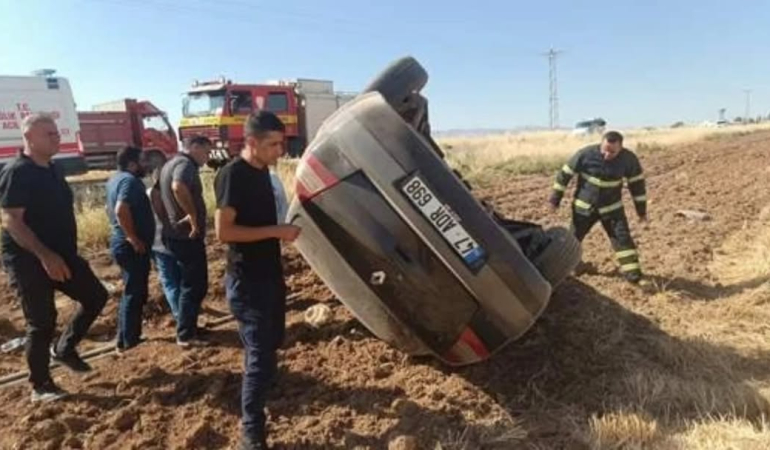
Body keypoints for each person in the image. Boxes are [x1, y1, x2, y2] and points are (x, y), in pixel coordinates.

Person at [0, 114, 108, 402]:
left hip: (62, 254)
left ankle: (64, 348)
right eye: (49, 133)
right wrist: (45, 256)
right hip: (29, 260)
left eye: (56, 133)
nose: (56, 137)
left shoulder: (53, 168)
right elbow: (11, 220)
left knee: (95, 296)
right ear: (29, 138)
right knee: (42, 321)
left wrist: (64, 253)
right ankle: (40, 385)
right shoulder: (17, 172)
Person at [214, 111, 301, 450]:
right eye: (273, 144)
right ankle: (252, 431)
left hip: (269, 273)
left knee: (272, 339)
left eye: (282, 143)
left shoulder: (263, 172)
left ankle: (264, 384)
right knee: (260, 353)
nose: (280, 151)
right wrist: (276, 232)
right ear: (251, 142)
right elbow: (224, 232)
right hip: (247, 280)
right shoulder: (233, 175)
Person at [550, 131, 647, 283]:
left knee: (623, 240)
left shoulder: (629, 160)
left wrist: (641, 211)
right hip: (584, 209)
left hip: (612, 209)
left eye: (612, 152)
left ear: (621, 148)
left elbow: (637, 186)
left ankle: (634, 277)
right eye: (605, 150)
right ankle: (562, 272)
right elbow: (564, 175)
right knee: (571, 242)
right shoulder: (585, 154)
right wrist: (555, 200)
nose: (607, 155)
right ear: (601, 144)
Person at [159, 135, 212, 347]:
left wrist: (168, 220)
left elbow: (156, 195)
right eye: (206, 152)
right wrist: (192, 215)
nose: (207, 158)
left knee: (188, 284)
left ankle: (189, 327)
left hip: (174, 234)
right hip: (187, 236)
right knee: (195, 284)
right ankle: (186, 335)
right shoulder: (185, 164)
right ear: (195, 147)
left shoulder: (168, 163)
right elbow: (178, 186)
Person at [106, 146, 155, 352]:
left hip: (122, 243)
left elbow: (110, 208)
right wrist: (132, 237)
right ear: (132, 164)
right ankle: (129, 342)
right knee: (135, 292)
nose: (146, 166)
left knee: (132, 290)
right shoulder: (129, 181)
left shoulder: (114, 179)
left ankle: (125, 337)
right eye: (143, 161)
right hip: (130, 246)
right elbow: (120, 209)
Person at [147, 166, 181, 321]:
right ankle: (184, 314)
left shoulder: (147, 194)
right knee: (178, 280)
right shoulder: (173, 193)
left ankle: (180, 315)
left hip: (158, 244)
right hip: (174, 241)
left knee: (170, 282)